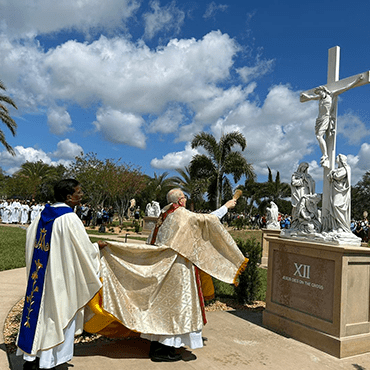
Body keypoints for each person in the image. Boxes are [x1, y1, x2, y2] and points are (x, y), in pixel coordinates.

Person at [85, 188, 247, 362]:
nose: (185, 200)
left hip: (166, 265)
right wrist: (226, 206)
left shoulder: (164, 213)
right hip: (177, 269)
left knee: (162, 310)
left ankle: (161, 345)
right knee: (175, 311)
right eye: (184, 197)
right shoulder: (180, 214)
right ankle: (163, 350)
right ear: (180, 200)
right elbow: (207, 221)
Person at [16, 179, 107, 370]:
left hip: (39, 279)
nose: (81, 195)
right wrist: (96, 248)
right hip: (60, 282)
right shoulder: (70, 218)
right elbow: (84, 252)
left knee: (38, 315)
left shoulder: (42, 214)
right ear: (69, 197)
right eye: (79, 192)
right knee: (58, 317)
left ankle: (33, 360)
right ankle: (50, 362)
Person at [301, 75, 363, 167]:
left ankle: (325, 155)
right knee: (318, 136)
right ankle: (325, 155)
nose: (319, 94)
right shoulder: (319, 98)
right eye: (318, 93)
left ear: (324, 90)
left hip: (326, 118)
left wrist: (356, 81)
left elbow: (346, 87)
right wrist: (305, 96)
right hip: (319, 119)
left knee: (319, 136)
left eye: (319, 92)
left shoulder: (331, 94)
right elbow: (310, 98)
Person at [327, 154, 351, 233]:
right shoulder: (338, 169)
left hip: (341, 192)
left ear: (341, 159)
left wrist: (333, 173)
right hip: (335, 190)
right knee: (333, 206)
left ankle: (342, 226)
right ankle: (336, 226)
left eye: (337, 157)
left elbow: (338, 176)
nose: (336, 158)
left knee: (336, 205)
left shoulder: (345, 169)